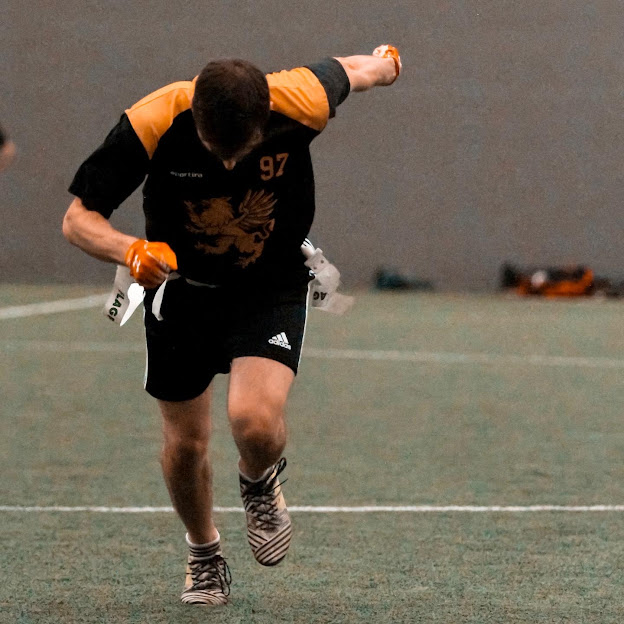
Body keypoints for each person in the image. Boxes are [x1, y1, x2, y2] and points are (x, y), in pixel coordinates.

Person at [62, 44, 402, 606]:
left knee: (254, 423)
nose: (225, 165)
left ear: (264, 118)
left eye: (237, 151)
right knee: (185, 446)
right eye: (212, 149)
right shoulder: (153, 119)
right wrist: (131, 250)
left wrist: (388, 64)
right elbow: (78, 219)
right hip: (182, 292)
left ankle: (258, 479)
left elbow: (357, 70)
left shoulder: (298, 97)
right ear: (195, 117)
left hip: (269, 285)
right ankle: (204, 553)